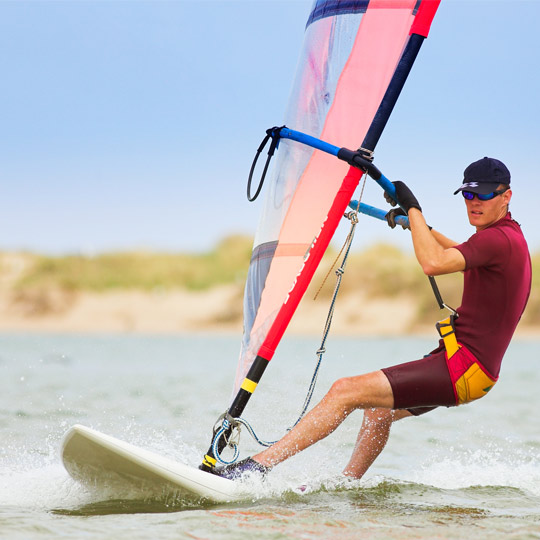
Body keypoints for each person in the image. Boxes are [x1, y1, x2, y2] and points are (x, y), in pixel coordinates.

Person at [215, 156, 532, 481]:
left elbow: (434, 263)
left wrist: (413, 209)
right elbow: (461, 249)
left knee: (344, 391)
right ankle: (348, 485)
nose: (475, 203)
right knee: (378, 411)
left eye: (484, 195)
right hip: (467, 367)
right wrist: (419, 228)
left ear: (506, 196)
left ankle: (254, 468)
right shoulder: (507, 236)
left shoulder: (497, 239)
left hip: (461, 368)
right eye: (468, 195)